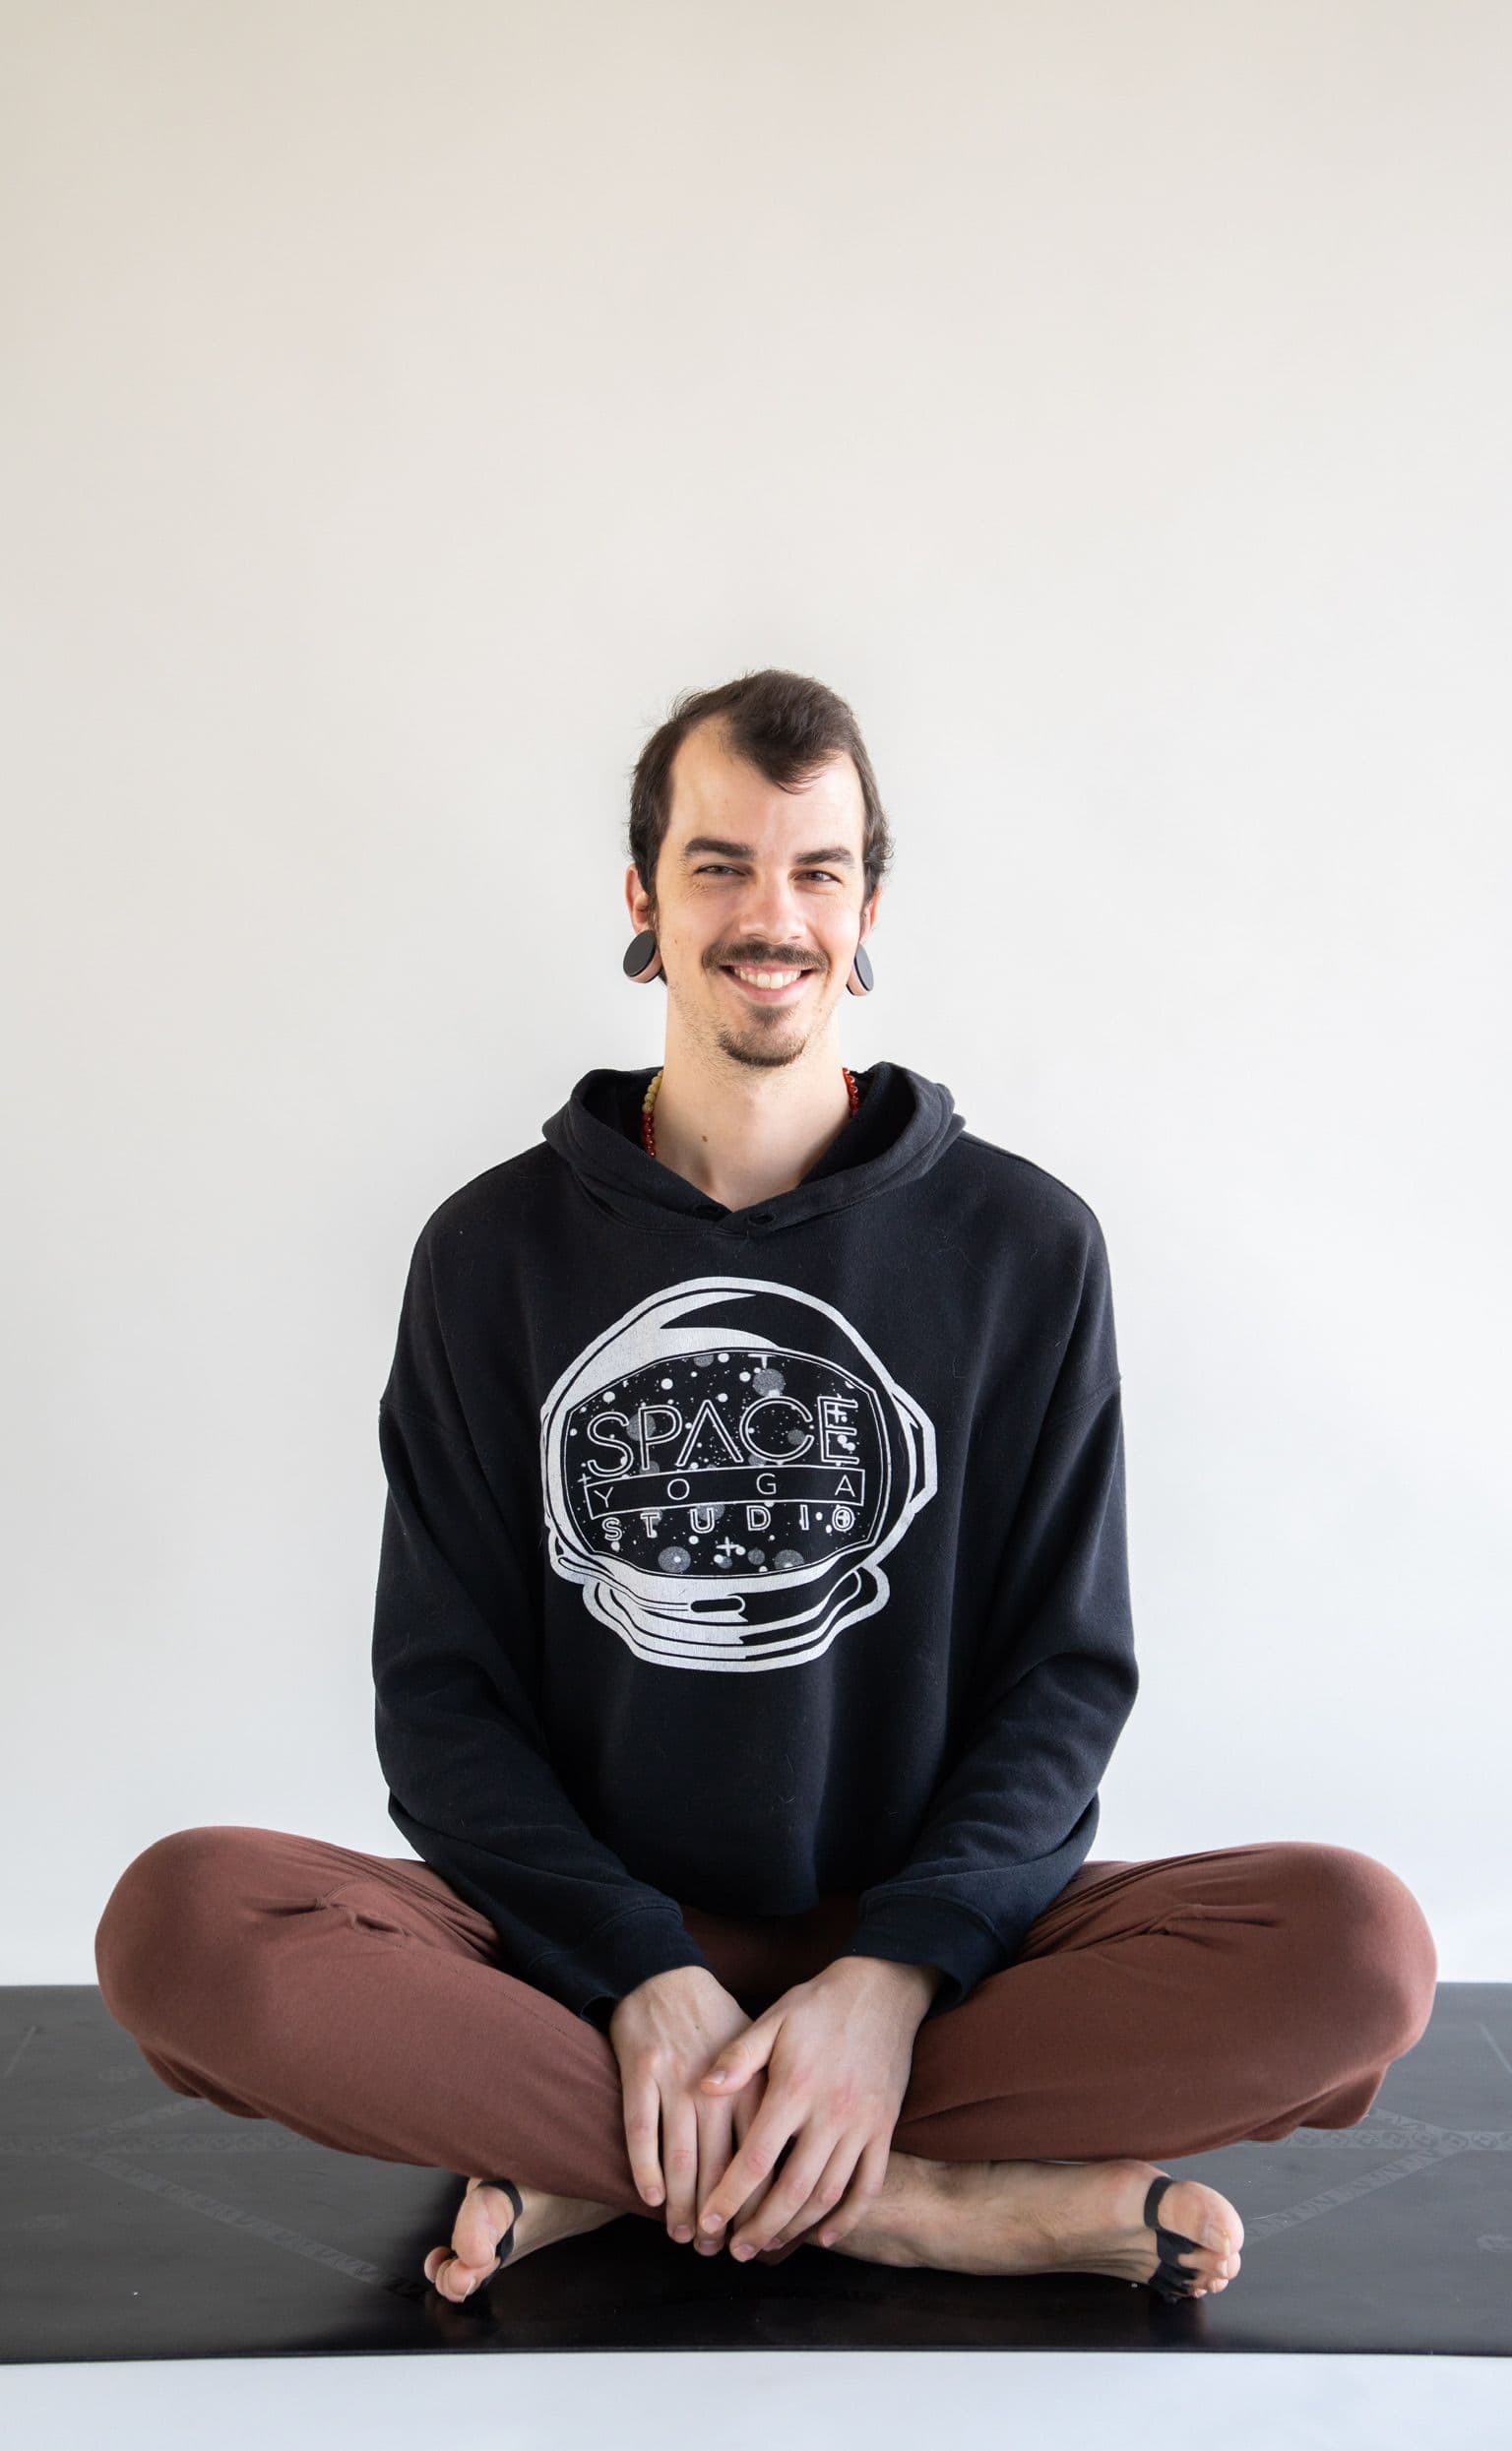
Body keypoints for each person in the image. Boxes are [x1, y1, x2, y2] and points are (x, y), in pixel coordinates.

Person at [94, 668, 1438, 2310]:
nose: (771, 914)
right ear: (642, 895)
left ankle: (635, 2165)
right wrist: (640, 1971)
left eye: (818, 868)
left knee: (1359, 1949)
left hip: (932, 1957)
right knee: (185, 1925)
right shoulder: (489, 1253)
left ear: (871, 904)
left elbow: (1065, 1676)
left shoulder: (1027, 1247)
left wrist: (890, 1978)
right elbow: (441, 1700)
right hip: (572, 1961)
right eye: (720, 863)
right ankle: (919, 2192)